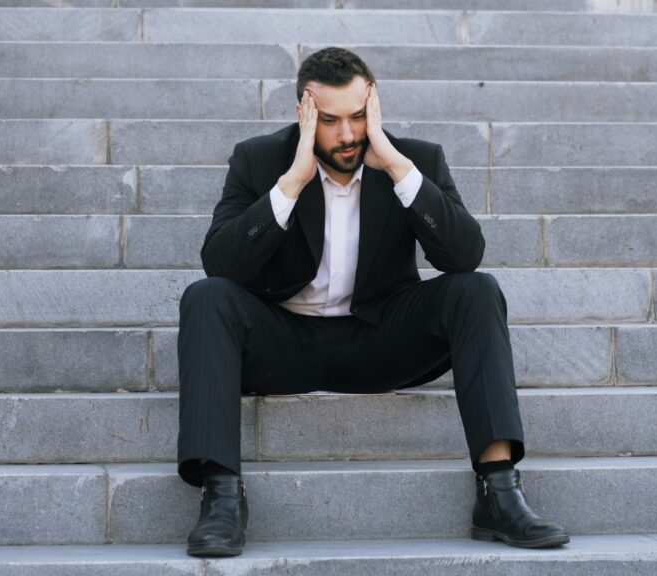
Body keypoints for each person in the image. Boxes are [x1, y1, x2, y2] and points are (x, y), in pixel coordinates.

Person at [176, 47, 569, 557]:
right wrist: (291, 182)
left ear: (375, 105)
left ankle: (499, 492)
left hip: (380, 339)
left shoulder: (415, 160)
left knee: (477, 290)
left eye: (359, 116)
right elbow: (221, 264)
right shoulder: (259, 160)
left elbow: (464, 255)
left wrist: (399, 170)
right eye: (330, 121)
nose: (347, 135)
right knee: (206, 297)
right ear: (304, 113)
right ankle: (222, 500)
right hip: (283, 341)